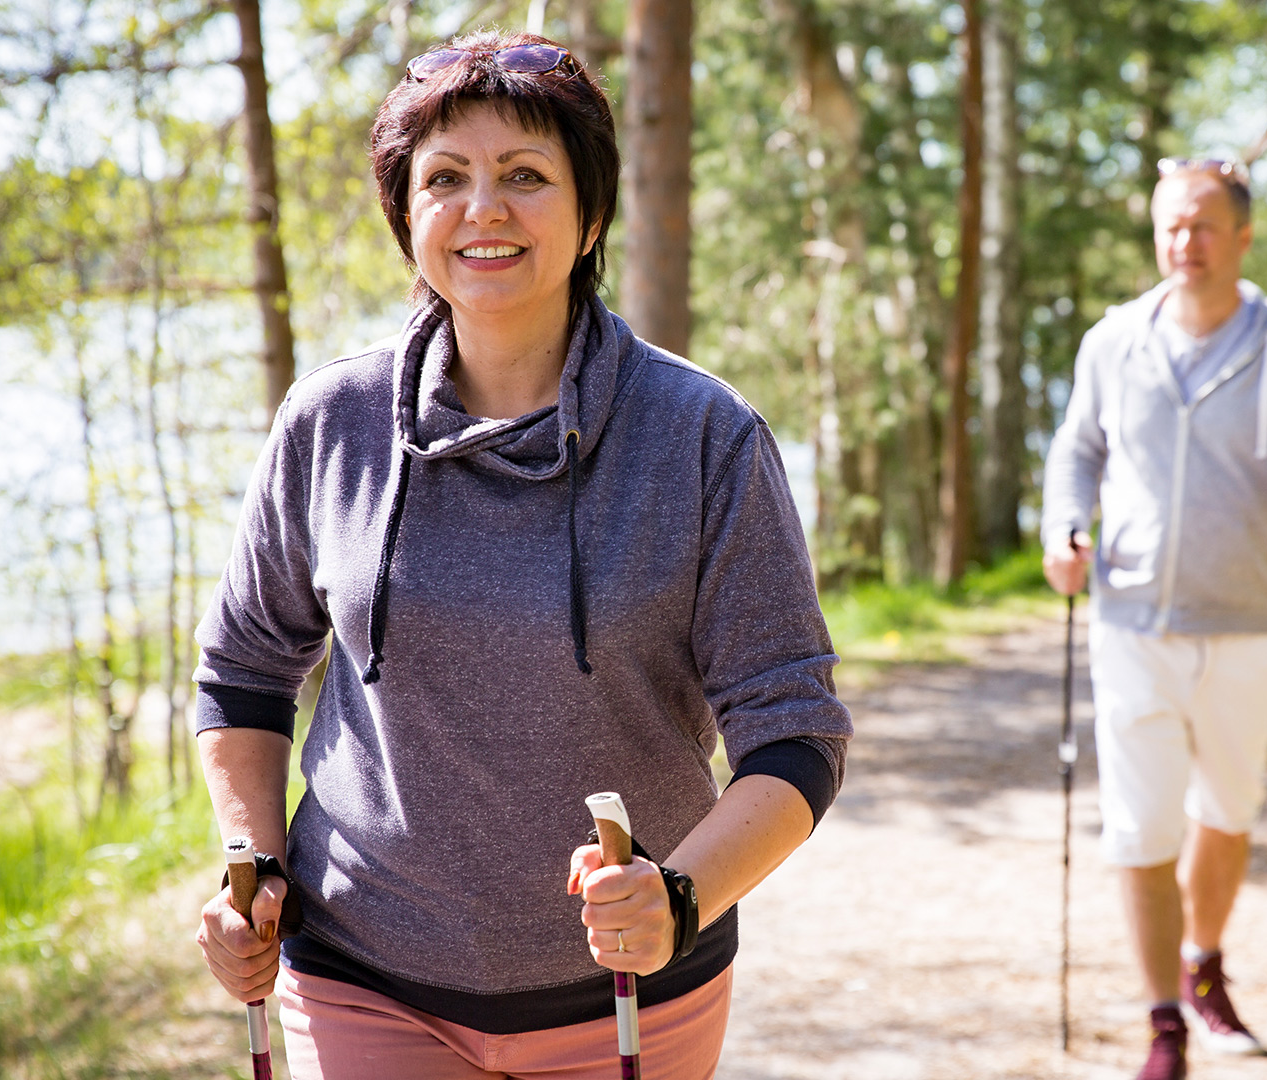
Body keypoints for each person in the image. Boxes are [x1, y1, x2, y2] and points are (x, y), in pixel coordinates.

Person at [191, 31, 851, 1080]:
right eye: (444, 178)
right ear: (406, 216)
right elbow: (243, 674)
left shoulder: (703, 434)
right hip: (364, 977)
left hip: (635, 994)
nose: (482, 209)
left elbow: (797, 734)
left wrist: (678, 900)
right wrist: (253, 865)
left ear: (591, 217)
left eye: (526, 176)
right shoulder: (330, 422)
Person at [1041, 158, 1267, 1080]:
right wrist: (1064, 530)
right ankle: (1163, 1022)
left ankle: (1203, 960)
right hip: (1130, 619)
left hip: (1245, 620)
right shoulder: (1115, 341)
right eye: (1172, 226)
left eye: (1205, 225)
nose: (1186, 242)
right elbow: (1076, 451)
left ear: (1243, 236)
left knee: (1227, 810)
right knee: (1139, 827)